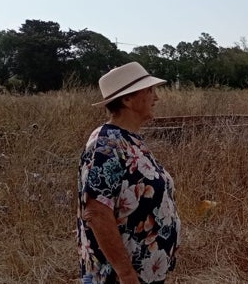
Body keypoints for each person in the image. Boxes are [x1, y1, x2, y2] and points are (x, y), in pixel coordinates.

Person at [77, 62, 180, 284]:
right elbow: (96, 213)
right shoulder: (105, 145)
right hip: (119, 278)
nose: (157, 98)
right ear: (127, 99)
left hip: (144, 273)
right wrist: (125, 274)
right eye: (149, 91)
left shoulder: (128, 139)